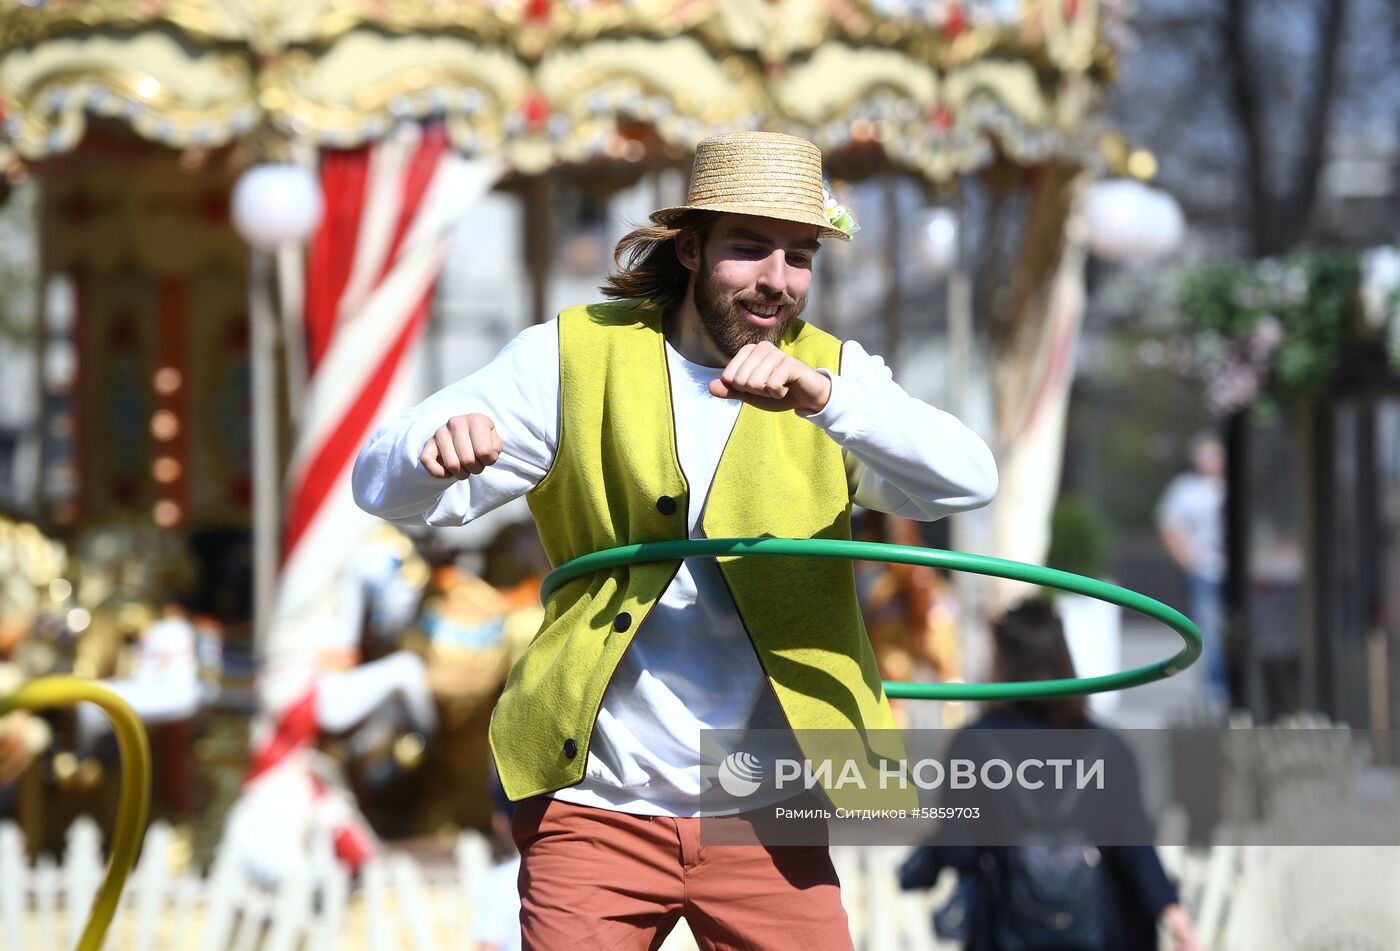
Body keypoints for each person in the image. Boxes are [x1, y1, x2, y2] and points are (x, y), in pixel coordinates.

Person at [352, 130, 999, 950]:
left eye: (801, 256)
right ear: (690, 248)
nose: (777, 281)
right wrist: (430, 450)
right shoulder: (572, 355)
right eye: (750, 249)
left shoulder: (835, 376)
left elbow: (971, 481)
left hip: (765, 815)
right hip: (595, 808)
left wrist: (828, 399)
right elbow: (381, 481)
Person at [898, 599, 1201, 951]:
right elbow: (1135, 850)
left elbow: (959, 851)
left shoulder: (973, 745)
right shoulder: (1109, 747)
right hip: (1095, 935)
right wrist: (1174, 914)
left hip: (1003, 933)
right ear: (1063, 656)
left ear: (1001, 662)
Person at [1155, 433, 1229, 708]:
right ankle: (1215, 690)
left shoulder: (1234, 484)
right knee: (1208, 630)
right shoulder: (1186, 489)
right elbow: (1169, 527)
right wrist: (1191, 562)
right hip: (1206, 571)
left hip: (1236, 574)